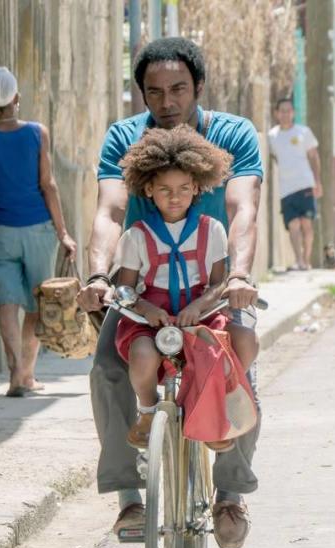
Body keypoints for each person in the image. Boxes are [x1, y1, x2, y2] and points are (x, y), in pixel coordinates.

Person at [76, 37, 263, 548]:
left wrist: (239, 278)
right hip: (145, 296)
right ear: (142, 95)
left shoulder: (234, 135)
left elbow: (243, 208)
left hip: (215, 290)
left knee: (238, 366)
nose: (167, 101)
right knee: (107, 369)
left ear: (198, 87)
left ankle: (230, 493)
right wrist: (97, 277)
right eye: (154, 92)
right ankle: (128, 497)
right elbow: (110, 212)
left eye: (178, 88)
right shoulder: (124, 139)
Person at [113, 126, 257, 455]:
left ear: (195, 187)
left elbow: (219, 282)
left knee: (218, 350)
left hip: (201, 312)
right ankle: (148, 412)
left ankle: (212, 409)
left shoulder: (212, 230)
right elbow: (124, 287)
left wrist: (200, 305)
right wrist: (147, 310)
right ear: (148, 189)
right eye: (164, 189)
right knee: (143, 355)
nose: (174, 197)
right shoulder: (137, 235)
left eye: (182, 189)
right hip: (150, 317)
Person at [0, 67, 77, 397]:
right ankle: (28, 375)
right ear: (16, 98)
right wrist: (63, 232)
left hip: (1, 229)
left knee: (6, 305)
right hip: (38, 230)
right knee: (35, 305)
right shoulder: (36, 133)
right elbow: (48, 184)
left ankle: (14, 371)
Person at [268, 98, 322, 270]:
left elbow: (314, 157)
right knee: (293, 225)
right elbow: (274, 158)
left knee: (306, 223)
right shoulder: (272, 136)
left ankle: (306, 260)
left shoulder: (303, 132)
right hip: (286, 188)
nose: (285, 114)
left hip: (305, 183)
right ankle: (298, 260)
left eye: (289, 110)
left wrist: (317, 181)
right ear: (276, 113)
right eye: (282, 111)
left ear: (294, 113)